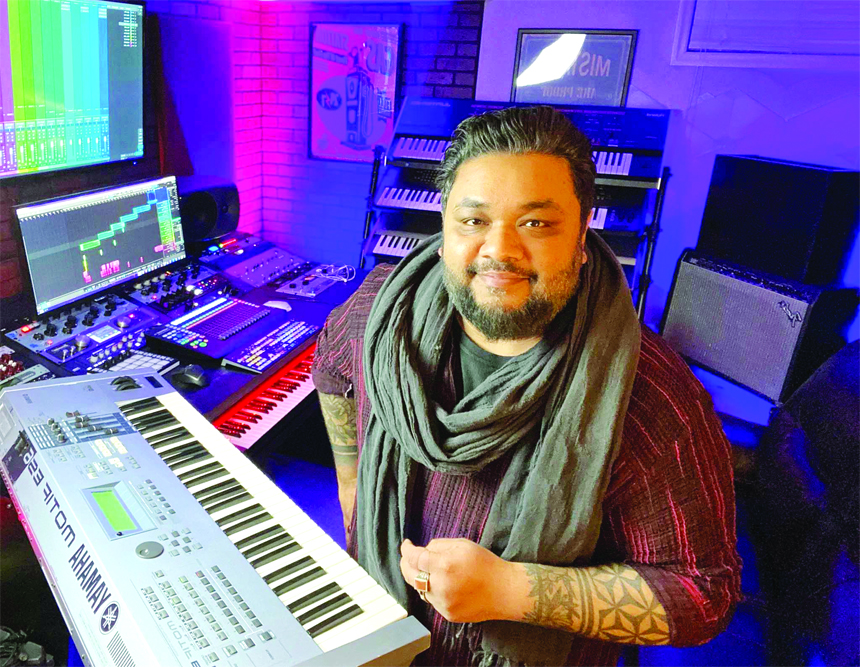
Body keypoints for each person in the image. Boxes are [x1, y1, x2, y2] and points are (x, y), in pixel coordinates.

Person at [311, 106, 742, 666]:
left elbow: (703, 595)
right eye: (473, 220)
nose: (499, 250)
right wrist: (351, 490)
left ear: (582, 237)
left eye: (536, 223)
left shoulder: (652, 396)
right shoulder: (378, 312)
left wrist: (511, 591)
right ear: (443, 231)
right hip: (381, 638)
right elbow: (332, 365)